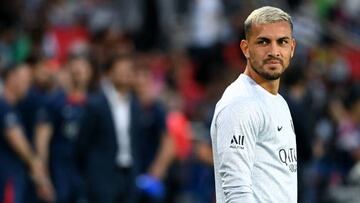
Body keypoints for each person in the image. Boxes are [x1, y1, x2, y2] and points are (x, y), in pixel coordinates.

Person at [210, 6, 297, 203]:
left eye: (281, 42)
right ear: (245, 48)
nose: (274, 51)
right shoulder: (240, 104)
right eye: (263, 42)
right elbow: (237, 192)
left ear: (292, 48)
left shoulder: (279, 102)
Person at [76, 53, 142, 203]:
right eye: (121, 70)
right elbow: (82, 142)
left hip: (129, 174)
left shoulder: (135, 105)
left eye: (129, 70)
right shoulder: (96, 104)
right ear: (109, 73)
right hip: (102, 176)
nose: (125, 74)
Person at [0, 63, 54, 203]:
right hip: (6, 175)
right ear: (11, 77)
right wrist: (39, 171)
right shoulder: (3, 106)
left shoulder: (15, 108)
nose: (27, 86)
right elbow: (17, 140)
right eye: (24, 80)